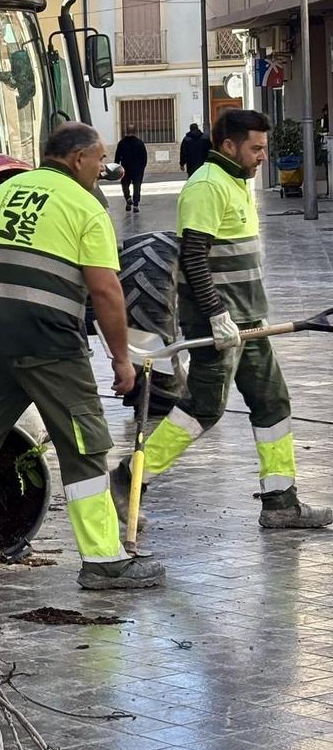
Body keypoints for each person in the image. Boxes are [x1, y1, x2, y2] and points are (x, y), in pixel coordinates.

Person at [0, 123, 165, 592]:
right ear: (78, 159)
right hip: (47, 340)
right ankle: (104, 561)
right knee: (84, 443)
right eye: (100, 159)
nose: (103, 168)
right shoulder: (85, 206)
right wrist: (122, 360)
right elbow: (104, 289)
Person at [112, 109, 331, 535]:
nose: (263, 155)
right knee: (204, 408)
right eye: (256, 147)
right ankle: (129, 477)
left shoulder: (233, 181)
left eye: (264, 147)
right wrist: (215, 314)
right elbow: (193, 255)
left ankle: (281, 503)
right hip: (222, 323)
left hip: (248, 320)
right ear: (229, 146)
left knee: (273, 402)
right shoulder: (208, 185)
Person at [115, 129, 148, 213]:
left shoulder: (121, 143)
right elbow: (144, 157)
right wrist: (142, 167)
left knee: (125, 185)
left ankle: (128, 198)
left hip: (125, 168)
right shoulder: (140, 143)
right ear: (135, 132)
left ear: (126, 132)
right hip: (137, 169)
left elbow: (117, 157)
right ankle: (136, 204)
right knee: (137, 186)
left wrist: (117, 167)